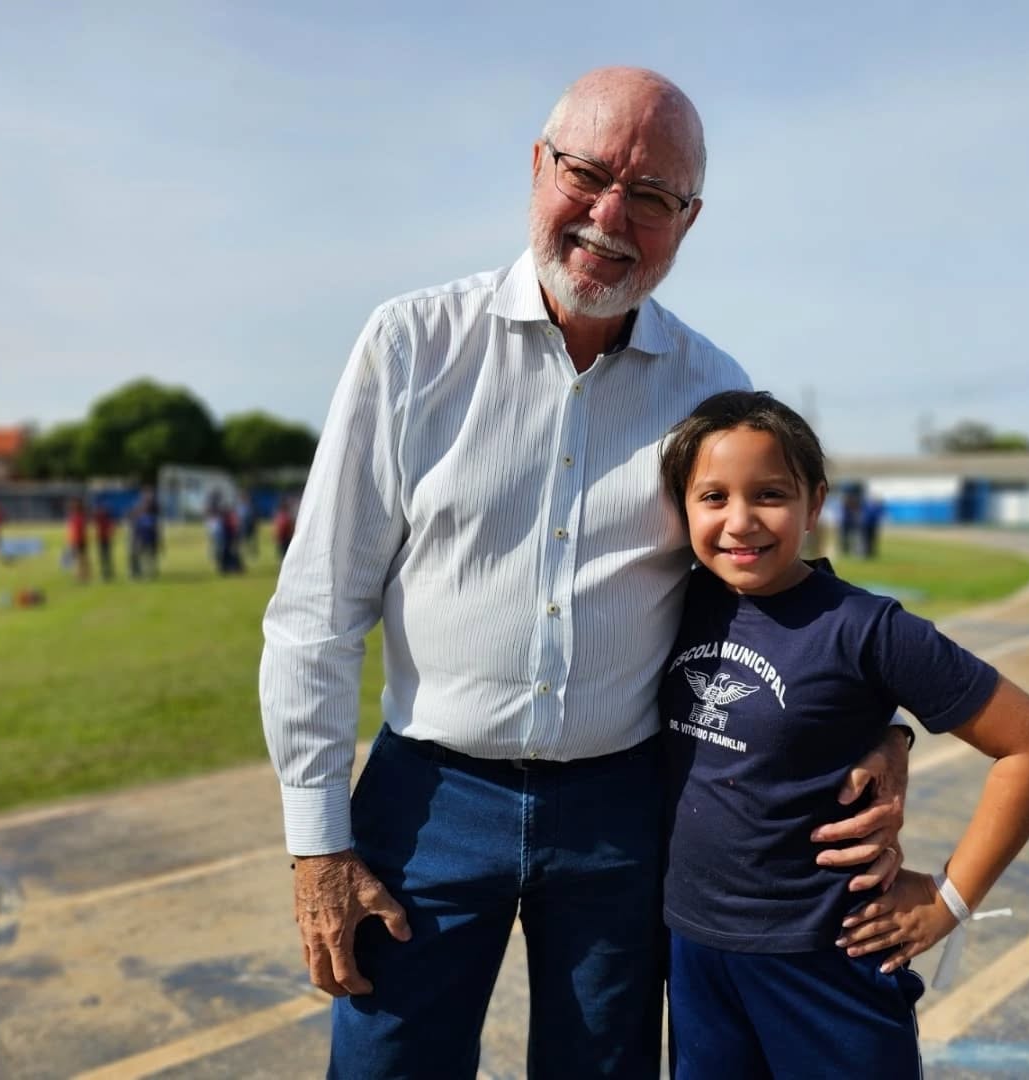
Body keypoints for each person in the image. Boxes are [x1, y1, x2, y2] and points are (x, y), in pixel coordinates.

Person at [259, 66, 912, 1079]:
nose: (610, 217)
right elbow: (317, 612)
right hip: (427, 801)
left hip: (622, 810)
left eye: (649, 195)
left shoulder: (715, 389)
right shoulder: (412, 346)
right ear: (538, 165)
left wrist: (877, 728)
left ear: (688, 221)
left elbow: (764, 590)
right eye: (589, 174)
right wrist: (318, 849)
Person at [656, 390, 1029, 1078]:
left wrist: (949, 899)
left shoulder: (868, 628)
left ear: (815, 503)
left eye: (770, 494)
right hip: (695, 954)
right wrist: (891, 733)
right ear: (682, 508)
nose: (740, 521)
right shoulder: (672, 601)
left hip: (828, 962)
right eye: (713, 497)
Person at [63, 498, 90, 583]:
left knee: (80, 559)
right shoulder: (76, 516)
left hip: (78, 540)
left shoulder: (79, 517)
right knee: (79, 559)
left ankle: (82, 576)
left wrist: (72, 540)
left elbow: (78, 530)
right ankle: (81, 575)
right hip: (77, 540)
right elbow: (73, 530)